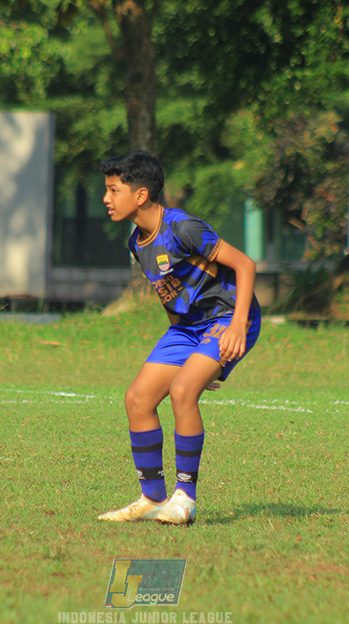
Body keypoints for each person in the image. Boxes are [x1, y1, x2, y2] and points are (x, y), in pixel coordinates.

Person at [96, 151, 261, 526]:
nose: (106, 198)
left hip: (229, 317)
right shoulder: (137, 243)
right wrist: (198, 358)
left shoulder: (184, 228)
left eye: (113, 190)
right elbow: (169, 294)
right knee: (137, 399)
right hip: (188, 328)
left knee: (184, 391)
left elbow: (245, 265)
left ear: (140, 195)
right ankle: (152, 498)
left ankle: (185, 498)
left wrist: (236, 327)